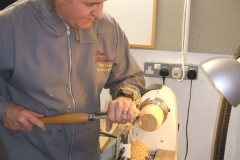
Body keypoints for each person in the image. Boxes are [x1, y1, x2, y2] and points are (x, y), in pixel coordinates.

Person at [0, 0, 146, 160]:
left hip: (86, 154)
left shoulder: (107, 28)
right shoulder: (9, 25)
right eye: (90, 4)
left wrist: (125, 97)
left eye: (102, 3)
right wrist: (4, 110)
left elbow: (128, 77)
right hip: (26, 152)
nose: (98, 13)